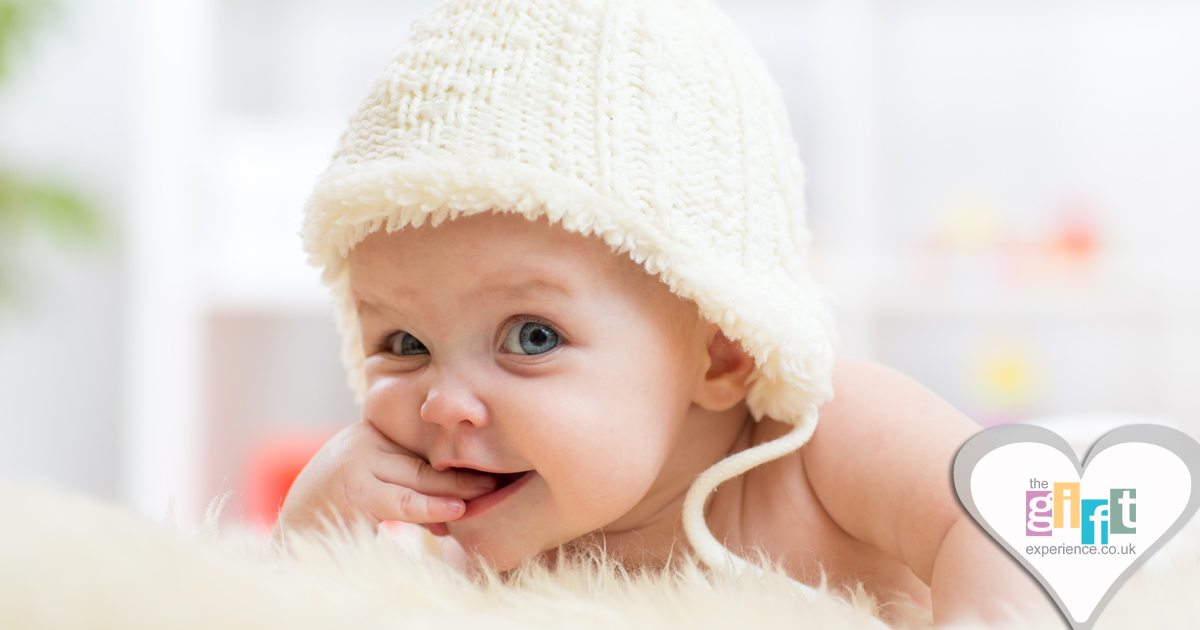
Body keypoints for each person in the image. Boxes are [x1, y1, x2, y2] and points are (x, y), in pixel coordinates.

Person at [280, 1, 1058, 626]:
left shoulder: (822, 446)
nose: (440, 402)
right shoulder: (479, 548)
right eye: (405, 342)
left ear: (722, 350)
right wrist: (313, 539)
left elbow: (1011, 519)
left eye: (532, 337)